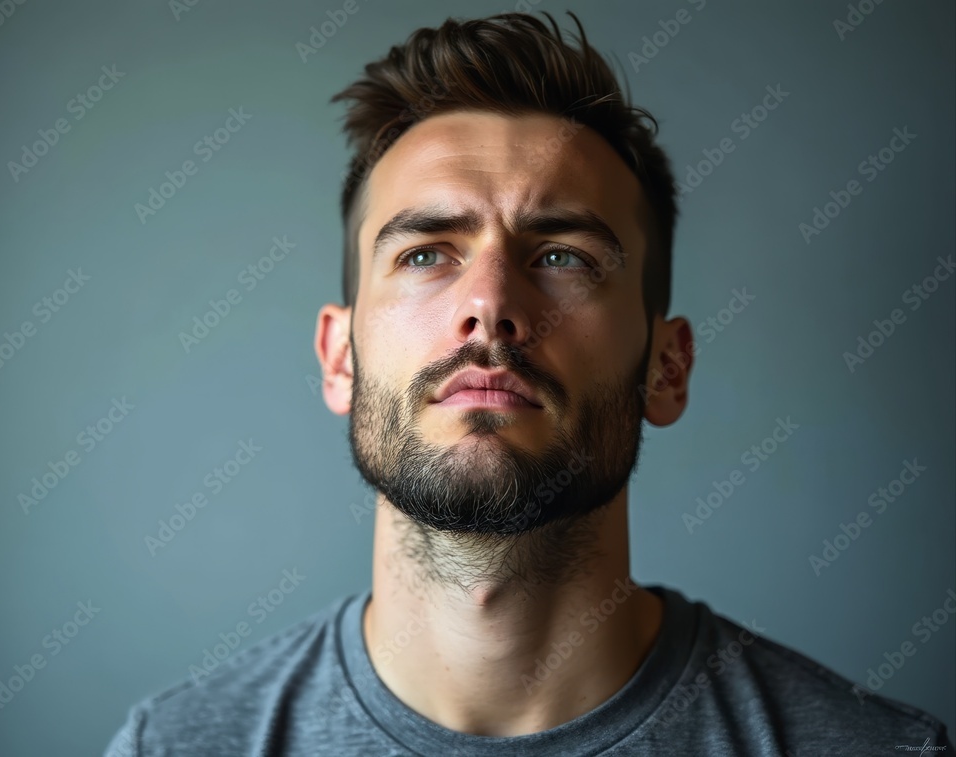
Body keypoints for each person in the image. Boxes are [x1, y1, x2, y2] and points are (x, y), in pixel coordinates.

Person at [106, 11, 953, 755]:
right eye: (426, 253)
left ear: (668, 366)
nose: (490, 306)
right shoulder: (174, 746)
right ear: (340, 356)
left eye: (562, 257)